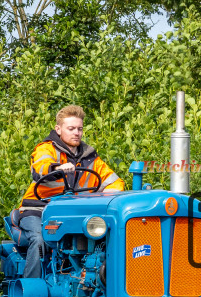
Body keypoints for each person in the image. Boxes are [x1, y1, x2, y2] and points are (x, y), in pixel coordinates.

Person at [16, 105, 125, 278]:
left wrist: (107, 195)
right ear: (58, 129)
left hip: (73, 213)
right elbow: (40, 167)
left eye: (80, 129)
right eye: (71, 128)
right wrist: (57, 167)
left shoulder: (90, 157)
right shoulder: (46, 149)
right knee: (39, 239)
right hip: (38, 210)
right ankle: (33, 289)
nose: (77, 133)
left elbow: (114, 181)